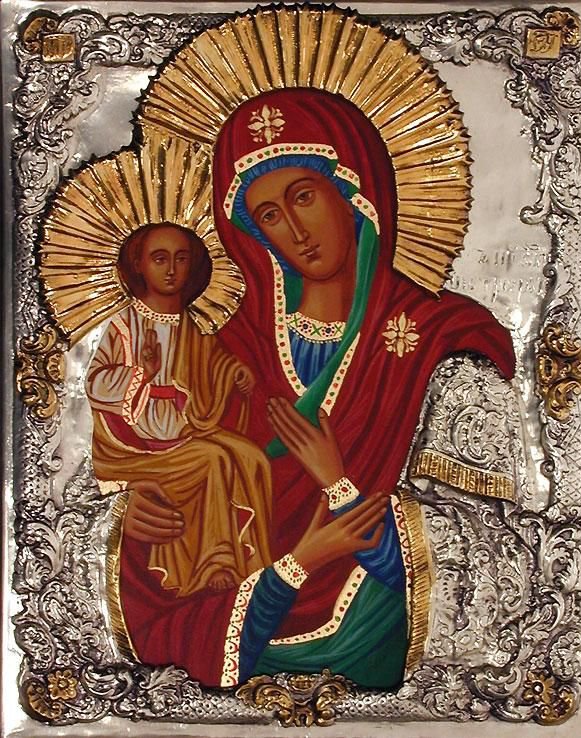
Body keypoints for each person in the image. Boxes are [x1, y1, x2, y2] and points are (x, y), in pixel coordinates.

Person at [114, 89, 517, 688]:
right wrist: (137, 511)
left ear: (355, 193)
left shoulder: (445, 341)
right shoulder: (223, 355)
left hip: (379, 639)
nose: (297, 230)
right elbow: (176, 492)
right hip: (234, 631)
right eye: (269, 215)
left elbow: (487, 563)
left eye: (304, 196)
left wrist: (339, 487)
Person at [87, 222, 273, 595]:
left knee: (253, 459)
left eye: (181, 259)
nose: (171, 269)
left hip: (185, 430)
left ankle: (256, 567)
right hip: (131, 445)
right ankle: (215, 562)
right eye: (160, 259)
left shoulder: (192, 327)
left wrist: (232, 373)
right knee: (212, 459)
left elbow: (213, 368)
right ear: (139, 264)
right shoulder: (124, 325)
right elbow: (93, 383)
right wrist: (142, 373)